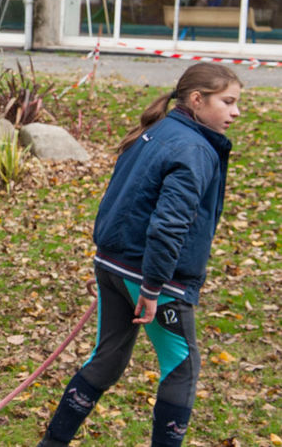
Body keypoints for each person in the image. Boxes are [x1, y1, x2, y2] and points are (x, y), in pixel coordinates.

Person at [38, 62, 243, 447]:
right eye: (228, 102)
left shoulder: (158, 130)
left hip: (113, 266)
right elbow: (169, 225)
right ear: (197, 100)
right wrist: (151, 289)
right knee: (181, 368)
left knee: (107, 359)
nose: (235, 112)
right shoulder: (195, 149)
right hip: (152, 278)